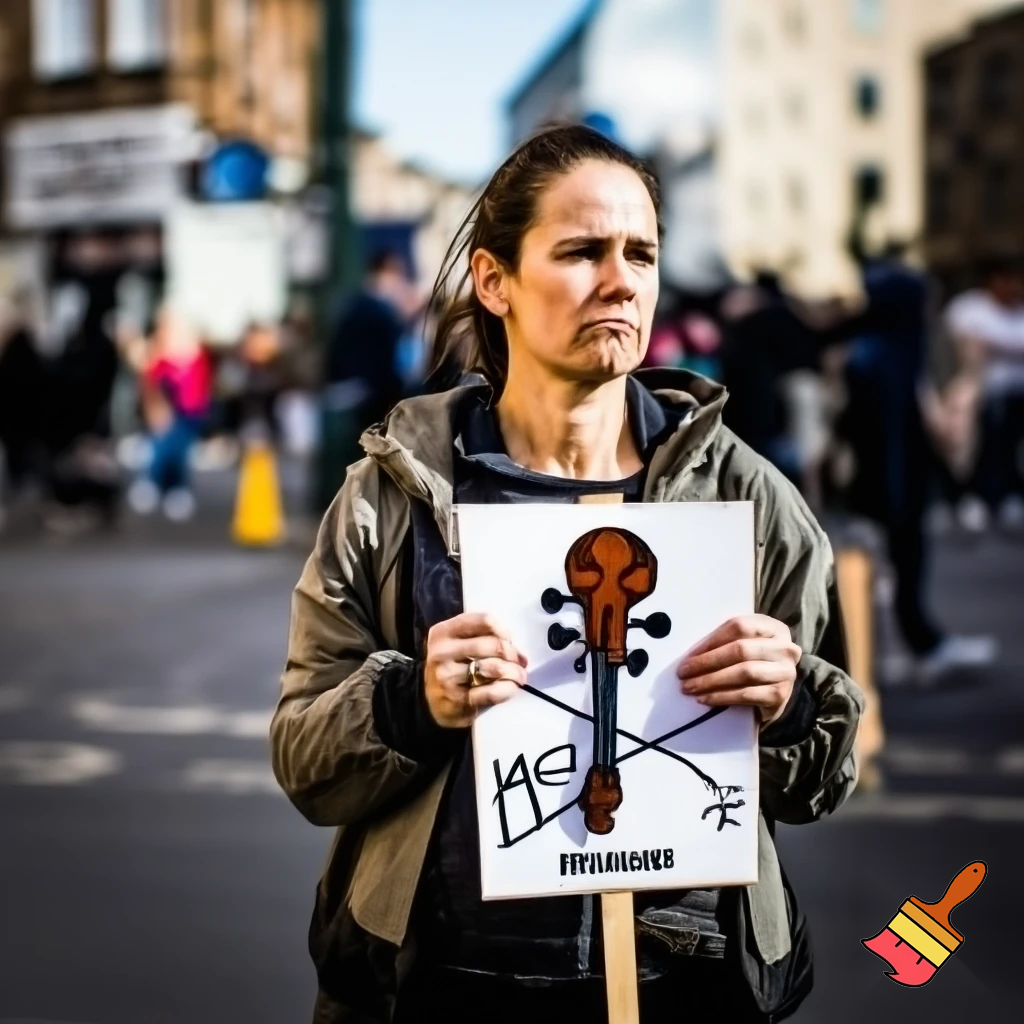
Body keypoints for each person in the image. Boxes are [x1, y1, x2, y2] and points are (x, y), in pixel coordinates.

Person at [272, 125, 862, 1024]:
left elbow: (827, 770)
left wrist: (784, 704)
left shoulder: (746, 494)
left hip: (685, 989)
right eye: (582, 251)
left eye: (642, 253)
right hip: (442, 986)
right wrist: (409, 703)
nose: (622, 280)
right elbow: (305, 759)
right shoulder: (393, 492)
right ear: (494, 279)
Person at [836, 246, 996, 682]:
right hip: (891, 489)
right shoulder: (892, 356)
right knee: (894, 571)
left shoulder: (869, 351)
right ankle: (915, 649)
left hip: (879, 488)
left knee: (882, 576)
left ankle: (900, 650)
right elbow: (890, 438)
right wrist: (898, 499)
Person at [320, 249, 413, 505]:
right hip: (369, 393)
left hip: (348, 389)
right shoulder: (380, 310)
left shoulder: (352, 305)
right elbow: (389, 360)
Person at [943, 256, 1024, 532]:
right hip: (977, 393)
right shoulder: (969, 308)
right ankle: (972, 495)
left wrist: (996, 346)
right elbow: (966, 347)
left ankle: (1009, 495)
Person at [125, 306, 212, 521]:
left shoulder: (198, 358)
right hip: (165, 414)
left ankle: (174, 488)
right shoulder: (159, 360)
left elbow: (199, 389)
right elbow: (150, 386)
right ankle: (159, 484)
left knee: (179, 452)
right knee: (162, 449)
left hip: (190, 414)